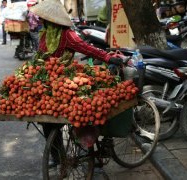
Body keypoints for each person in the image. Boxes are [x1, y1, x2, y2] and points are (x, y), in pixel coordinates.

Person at [30, 0, 122, 165]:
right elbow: (39, 56)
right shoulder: (44, 34)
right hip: (47, 83)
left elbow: (87, 49)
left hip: (66, 82)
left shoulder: (67, 35)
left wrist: (108, 57)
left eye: (45, 18)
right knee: (46, 120)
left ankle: (89, 149)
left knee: (81, 115)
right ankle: (57, 155)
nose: (42, 21)